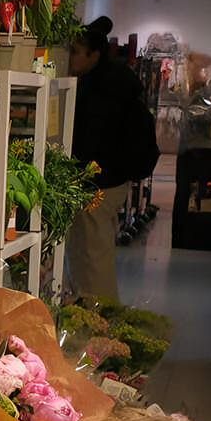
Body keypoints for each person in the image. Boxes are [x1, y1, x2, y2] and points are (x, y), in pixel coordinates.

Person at [66, 16, 156, 299]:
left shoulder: (101, 89)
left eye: (75, 52)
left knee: (93, 260)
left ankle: (100, 322)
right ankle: (90, 318)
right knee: (88, 255)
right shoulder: (111, 81)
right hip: (109, 182)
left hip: (101, 184)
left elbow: (94, 141)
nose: (70, 58)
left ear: (94, 54)